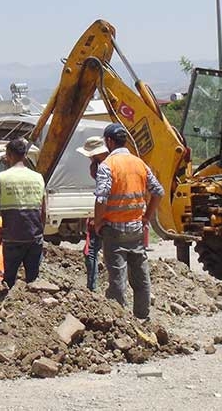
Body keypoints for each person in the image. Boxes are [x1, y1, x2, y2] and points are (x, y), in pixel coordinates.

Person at [94, 123, 164, 320]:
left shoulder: (107, 165)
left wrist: (98, 222)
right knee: (141, 277)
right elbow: (158, 191)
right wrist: (146, 218)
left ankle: (120, 321)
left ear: (109, 141)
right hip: (136, 229)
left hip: (114, 230)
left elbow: (101, 198)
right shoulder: (139, 164)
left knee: (117, 279)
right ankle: (142, 316)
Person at [0, 138, 46, 288]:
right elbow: (43, 211)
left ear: (9, 155)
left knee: (8, 281)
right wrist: (39, 232)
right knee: (33, 282)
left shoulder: (1, 178)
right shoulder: (38, 178)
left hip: (12, 238)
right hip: (34, 237)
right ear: (24, 155)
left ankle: (6, 308)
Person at [76, 136, 109, 291]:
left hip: (107, 217)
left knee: (91, 252)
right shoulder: (109, 163)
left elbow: (102, 197)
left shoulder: (104, 167)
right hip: (120, 217)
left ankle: (92, 289)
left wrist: (97, 220)